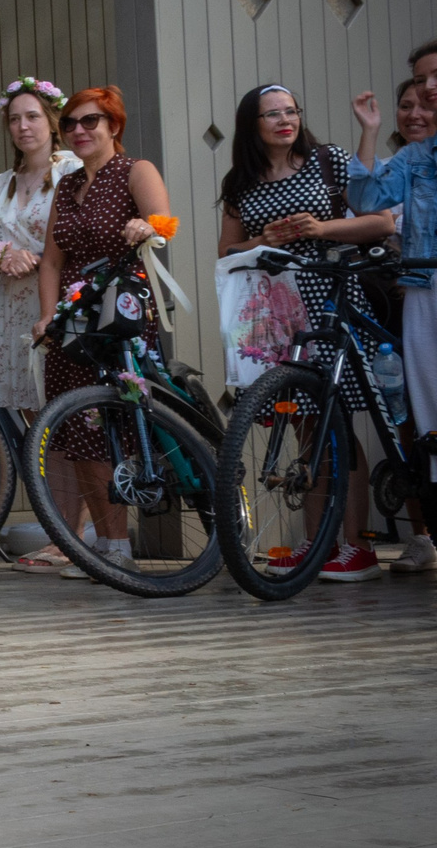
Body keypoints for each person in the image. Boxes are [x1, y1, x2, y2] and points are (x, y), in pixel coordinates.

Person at [209, 85, 389, 584]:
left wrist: (321, 230)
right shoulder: (240, 182)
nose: (285, 120)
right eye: (272, 114)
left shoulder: (328, 161)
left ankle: (358, 548)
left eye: (291, 111)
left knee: (337, 421)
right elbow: (227, 252)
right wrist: (262, 239)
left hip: (330, 300)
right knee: (306, 425)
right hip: (275, 313)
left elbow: (379, 221)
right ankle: (317, 542)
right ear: (252, 124)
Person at [30, 87, 175, 581]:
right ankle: (111, 546)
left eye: (90, 121)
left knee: (108, 429)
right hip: (72, 320)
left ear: (114, 125)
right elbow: (51, 261)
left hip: (119, 313)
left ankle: (116, 546)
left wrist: (146, 226)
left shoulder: (135, 170)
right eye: (70, 123)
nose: (79, 130)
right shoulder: (66, 184)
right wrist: (47, 316)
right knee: (78, 433)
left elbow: (163, 223)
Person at [0, 78, 83, 571]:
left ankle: (74, 536)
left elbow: (80, 237)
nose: (23, 126)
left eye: (33, 116)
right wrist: (1, 257)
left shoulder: (71, 171)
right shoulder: (2, 183)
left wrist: (37, 257)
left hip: (56, 306)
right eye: (15, 118)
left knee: (67, 420)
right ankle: (62, 531)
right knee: (38, 426)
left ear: (53, 121)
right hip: (12, 312)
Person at [353, 50, 437, 572]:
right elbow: (366, 201)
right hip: (419, 292)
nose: (424, 95)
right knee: (423, 418)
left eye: (433, 82)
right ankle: (426, 533)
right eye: (418, 85)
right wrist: (369, 130)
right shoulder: (413, 159)